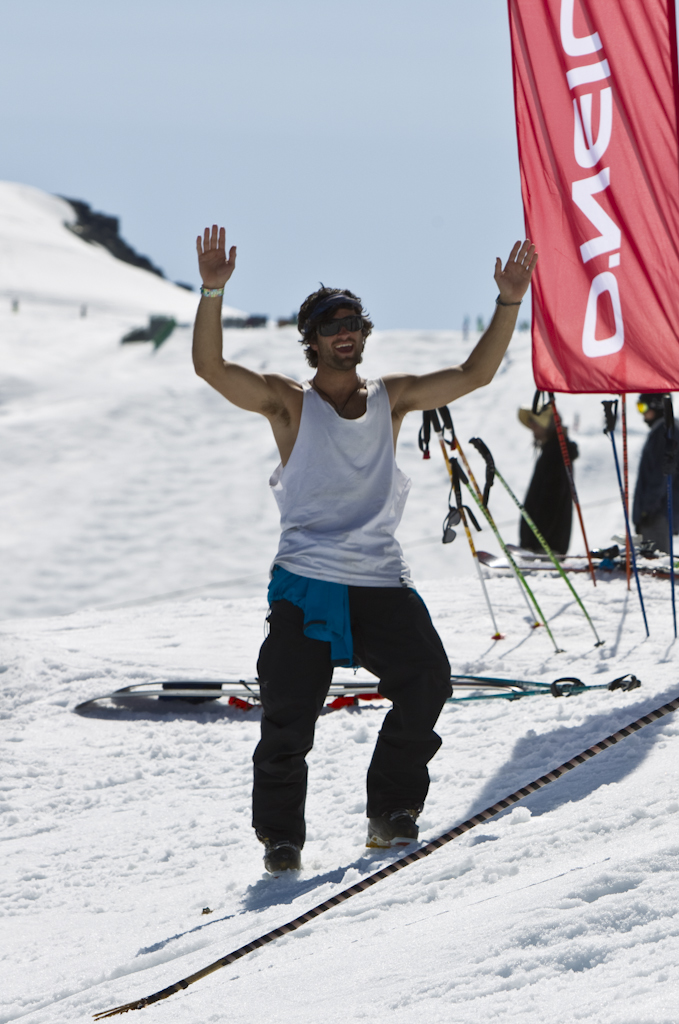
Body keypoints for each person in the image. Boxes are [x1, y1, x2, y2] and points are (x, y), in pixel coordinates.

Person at [190, 224, 537, 873]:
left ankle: (392, 810)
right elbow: (211, 369)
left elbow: (475, 373)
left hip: (381, 580)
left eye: (352, 321)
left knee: (428, 679)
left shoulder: (393, 398)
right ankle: (282, 840)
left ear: (362, 332)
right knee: (289, 718)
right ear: (313, 340)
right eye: (330, 324)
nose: (344, 332)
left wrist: (509, 301)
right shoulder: (289, 404)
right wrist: (213, 293)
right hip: (308, 581)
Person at [516, 402, 577, 554]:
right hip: (544, 545)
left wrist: (533, 543)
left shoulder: (556, 454)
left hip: (545, 548)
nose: (531, 426)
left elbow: (551, 502)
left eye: (535, 422)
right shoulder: (553, 451)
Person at [631, 392, 679, 553]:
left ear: (656, 406)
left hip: (658, 514)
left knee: (653, 565)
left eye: (643, 407)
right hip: (655, 512)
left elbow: (661, 475)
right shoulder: (662, 432)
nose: (642, 413)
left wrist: (647, 509)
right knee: (648, 561)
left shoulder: (665, 434)